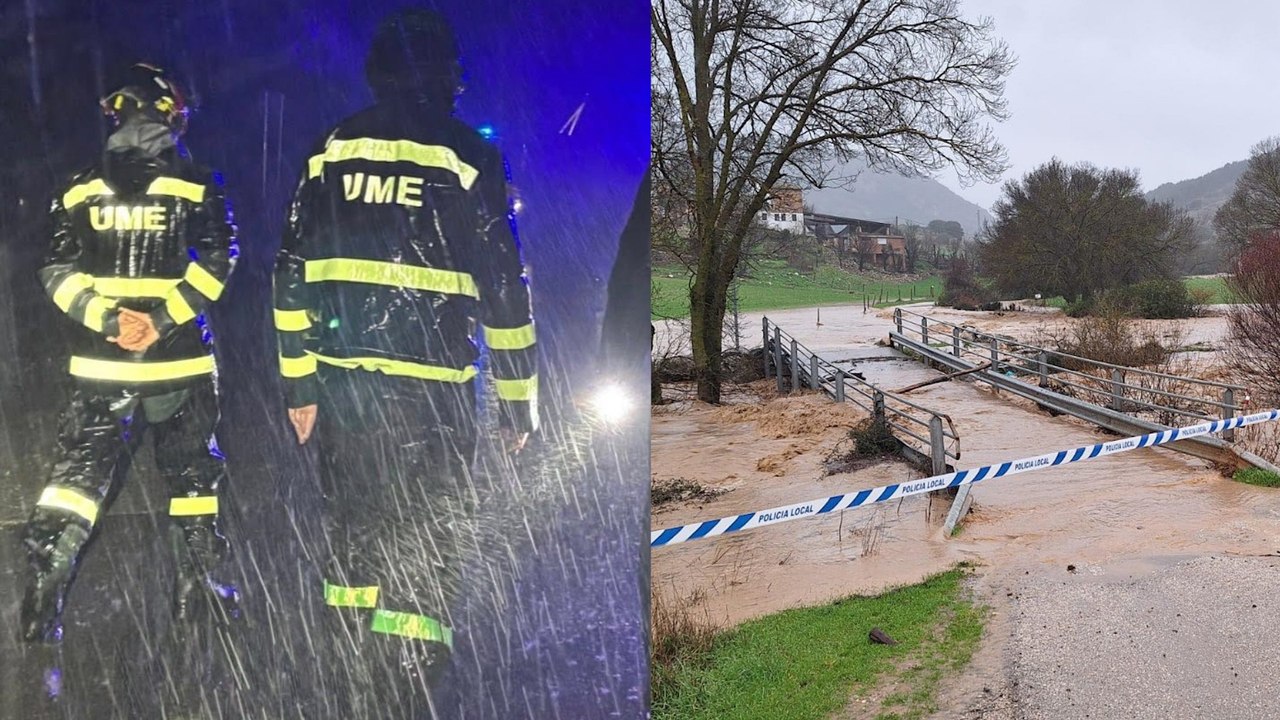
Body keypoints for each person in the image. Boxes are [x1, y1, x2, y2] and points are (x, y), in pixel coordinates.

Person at [272, 8, 538, 707]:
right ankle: (406, 689)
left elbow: (288, 275)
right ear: (449, 75)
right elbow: (505, 289)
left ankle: (348, 677)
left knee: (354, 531)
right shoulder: (466, 155)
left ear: (379, 70)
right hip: (435, 390)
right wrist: (518, 401)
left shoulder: (331, 149)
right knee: (427, 544)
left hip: (343, 388)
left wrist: (299, 383)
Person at [20, 63, 240, 645]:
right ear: (170, 113)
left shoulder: (79, 185)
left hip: (100, 364)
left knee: (78, 476)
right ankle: (197, 592)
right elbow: (220, 262)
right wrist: (162, 319)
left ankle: (44, 593)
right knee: (192, 473)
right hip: (180, 363)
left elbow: (54, 268)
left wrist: (109, 320)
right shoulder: (198, 182)